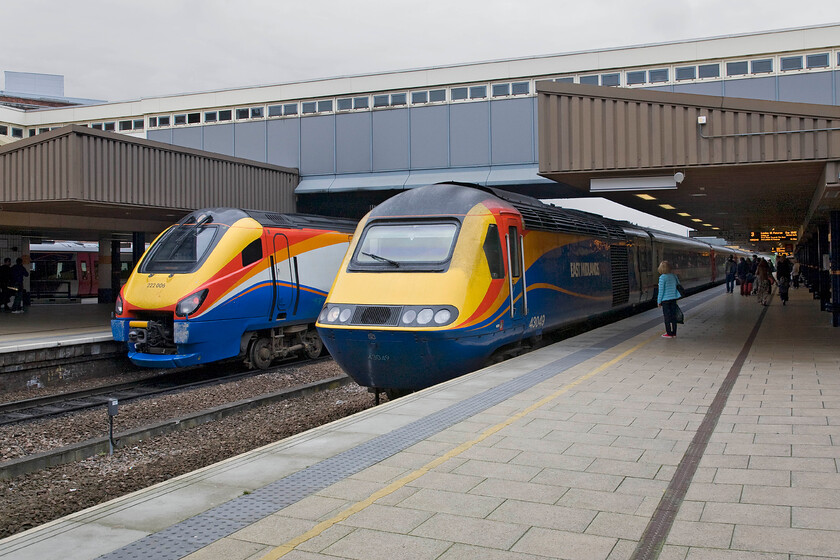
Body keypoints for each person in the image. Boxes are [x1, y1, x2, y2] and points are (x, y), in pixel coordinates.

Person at [657, 260, 681, 338]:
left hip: (665, 300)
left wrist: (659, 301)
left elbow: (661, 291)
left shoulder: (662, 278)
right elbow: (678, 285)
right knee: (673, 316)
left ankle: (669, 333)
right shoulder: (674, 276)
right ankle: (674, 333)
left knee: (667, 317)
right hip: (673, 299)